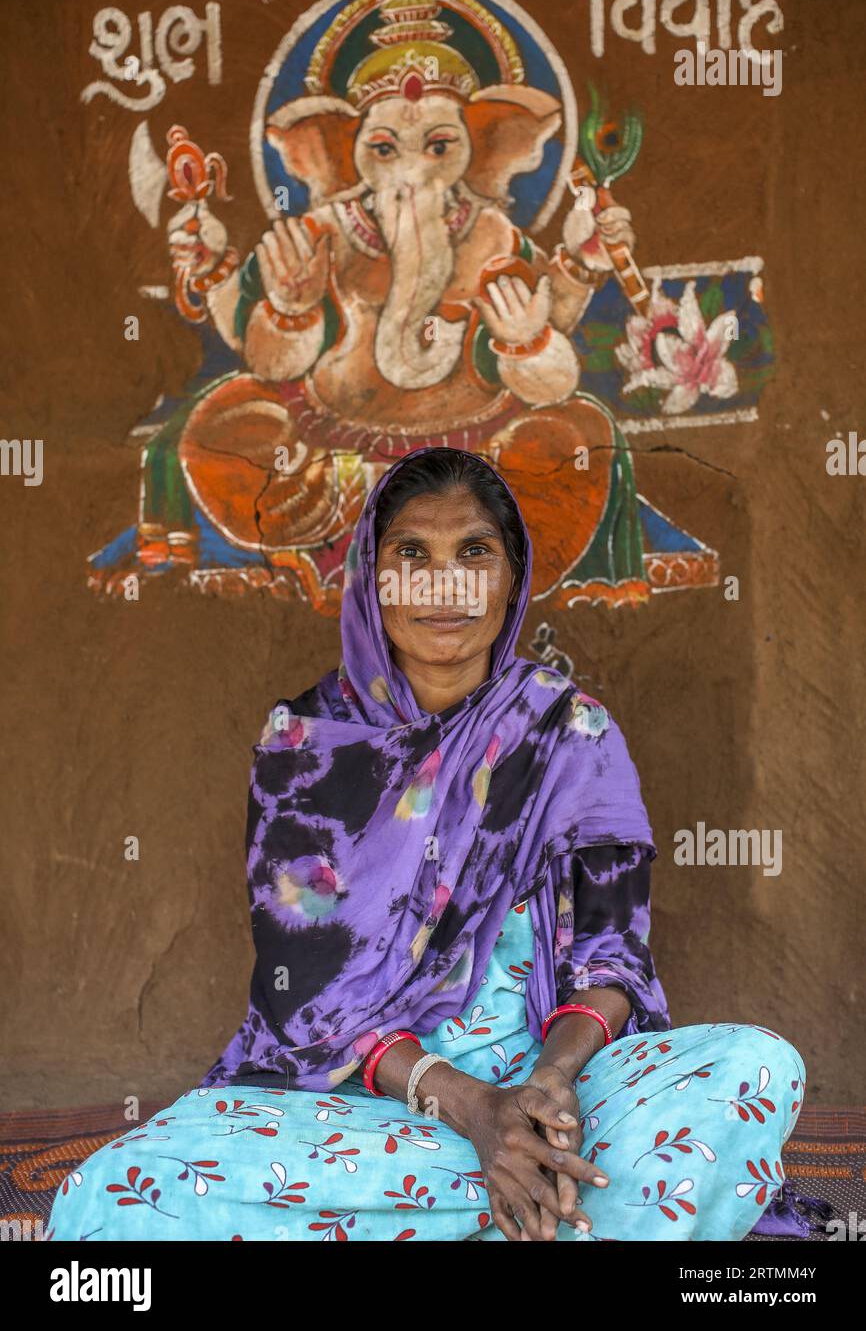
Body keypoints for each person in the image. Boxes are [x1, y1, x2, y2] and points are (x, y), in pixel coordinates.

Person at [49, 446, 813, 1242]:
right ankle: (535, 1211)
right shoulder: (307, 749)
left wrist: (546, 1087)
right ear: (371, 582)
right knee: (115, 1199)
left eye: (473, 553)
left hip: (550, 1092)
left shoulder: (569, 732)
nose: (444, 584)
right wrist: (476, 1113)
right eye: (411, 554)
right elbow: (306, 994)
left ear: (512, 580)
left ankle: (483, 1199)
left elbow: (614, 956)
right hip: (364, 1105)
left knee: (750, 1069)